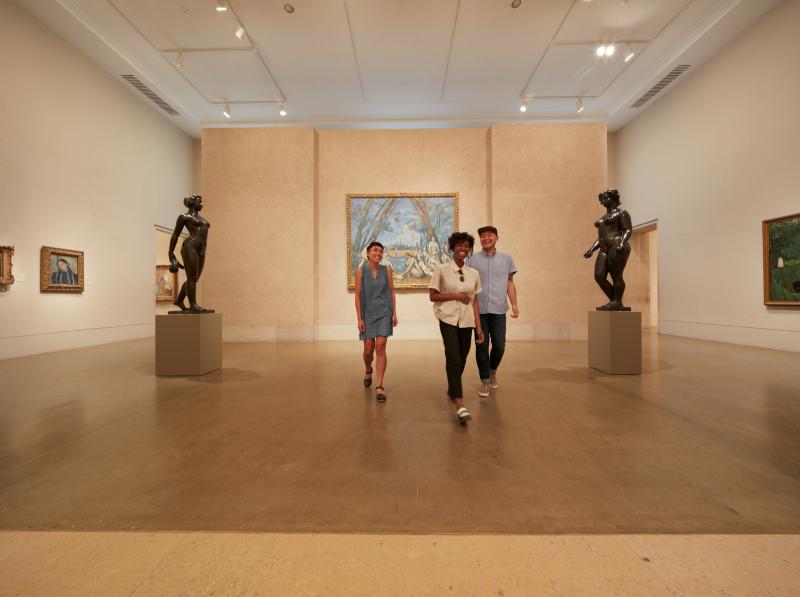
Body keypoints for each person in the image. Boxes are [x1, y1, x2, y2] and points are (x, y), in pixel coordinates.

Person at [429, 232, 484, 424]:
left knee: (462, 357)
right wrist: (455, 296)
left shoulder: (474, 274)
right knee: (453, 356)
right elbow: (433, 296)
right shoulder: (442, 270)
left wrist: (479, 327)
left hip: (467, 321)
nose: (463, 248)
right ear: (453, 248)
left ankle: (452, 386)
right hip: (448, 318)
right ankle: (459, 404)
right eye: (459, 245)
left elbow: (475, 302)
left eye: (466, 246)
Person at [468, 226, 518, 397]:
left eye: (489, 235)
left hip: (498, 309)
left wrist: (515, 304)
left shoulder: (507, 259)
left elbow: (509, 282)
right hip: (478, 311)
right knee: (481, 346)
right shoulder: (471, 260)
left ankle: (492, 370)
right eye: (482, 236)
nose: (486, 238)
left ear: (497, 238)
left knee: (500, 345)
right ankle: (485, 381)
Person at [354, 241, 397, 402]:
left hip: (384, 312)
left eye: (380, 251)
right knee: (368, 349)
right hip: (367, 314)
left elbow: (392, 292)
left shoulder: (387, 270)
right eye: (374, 250)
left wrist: (394, 313)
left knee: (380, 347)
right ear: (368, 253)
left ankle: (379, 386)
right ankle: (367, 369)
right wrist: (359, 318)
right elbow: (357, 296)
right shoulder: (360, 271)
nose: (378, 253)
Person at [583, 189, 632, 311]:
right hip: (604, 248)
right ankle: (616, 301)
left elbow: (627, 230)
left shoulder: (622, 213)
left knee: (616, 276)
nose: (602, 201)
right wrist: (591, 249)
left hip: (617, 245)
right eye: (602, 199)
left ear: (613, 198)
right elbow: (601, 238)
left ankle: (616, 301)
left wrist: (621, 242)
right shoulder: (603, 217)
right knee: (599, 275)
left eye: (605, 198)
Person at [169, 195, 212, 313]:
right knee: (192, 278)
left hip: (201, 249)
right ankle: (193, 304)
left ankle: (179, 300)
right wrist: (171, 254)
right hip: (190, 246)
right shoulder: (184, 217)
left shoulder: (201, 218)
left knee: (194, 278)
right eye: (200, 201)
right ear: (192, 203)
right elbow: (175, 235)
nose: (202, 204)